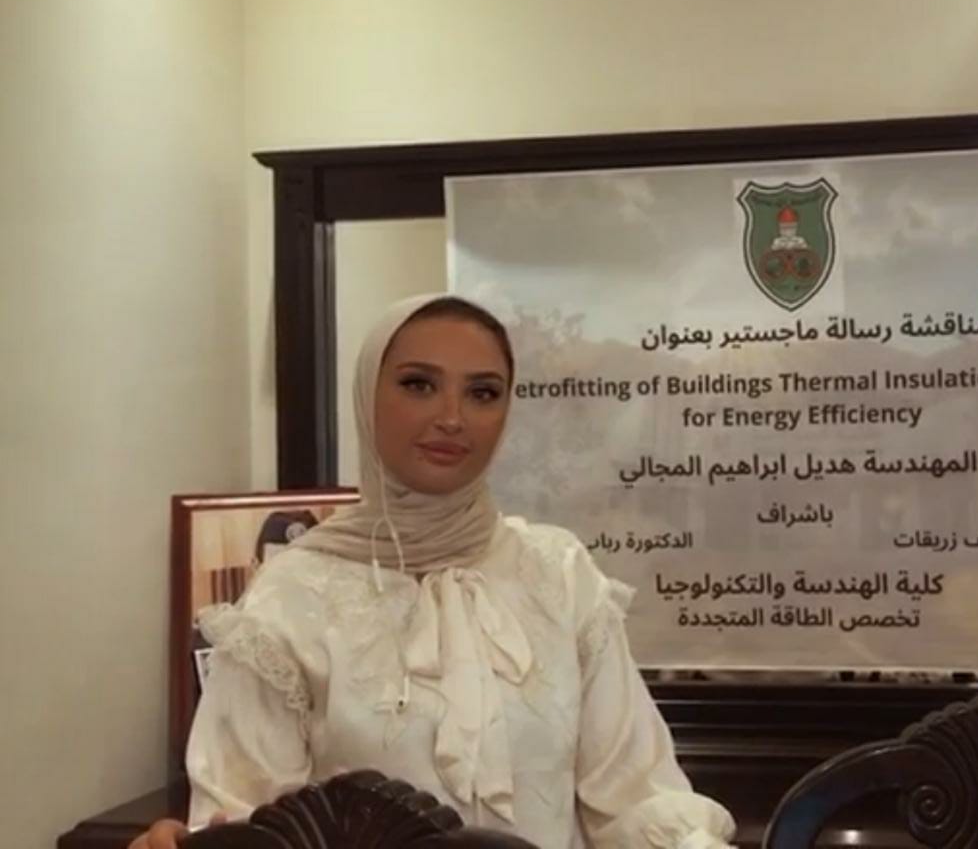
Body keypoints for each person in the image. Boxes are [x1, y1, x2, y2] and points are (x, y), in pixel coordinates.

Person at [130, 294, 736, 849]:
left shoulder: (559, 573)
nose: (452, 417)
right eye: (419, 384)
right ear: (367, 395)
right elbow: (252, 826)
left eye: (483, 393)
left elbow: (635, 793)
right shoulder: (291, 596)